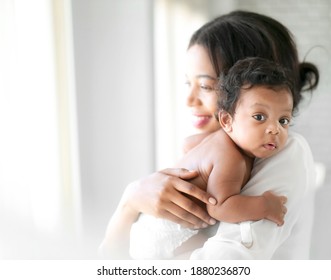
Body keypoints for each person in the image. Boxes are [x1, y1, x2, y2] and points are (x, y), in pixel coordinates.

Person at [98, 10, 319, 260]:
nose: (189, 100)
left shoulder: (284, 151)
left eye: (205, 86)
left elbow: (225, 264)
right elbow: (109, 261)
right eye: (187, 83)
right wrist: (130, 201)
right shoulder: (213, 147)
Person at [129, 57, 293, 259]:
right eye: (259, 117)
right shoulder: (231, 158)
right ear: (226, 120)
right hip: (162, 235)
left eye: (284, 120)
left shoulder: (219, 139)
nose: (274, 129)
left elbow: (188, 143)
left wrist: (195, 165)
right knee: (206, 255)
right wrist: (265, 205)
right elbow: (220, 207)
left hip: (146, 224)